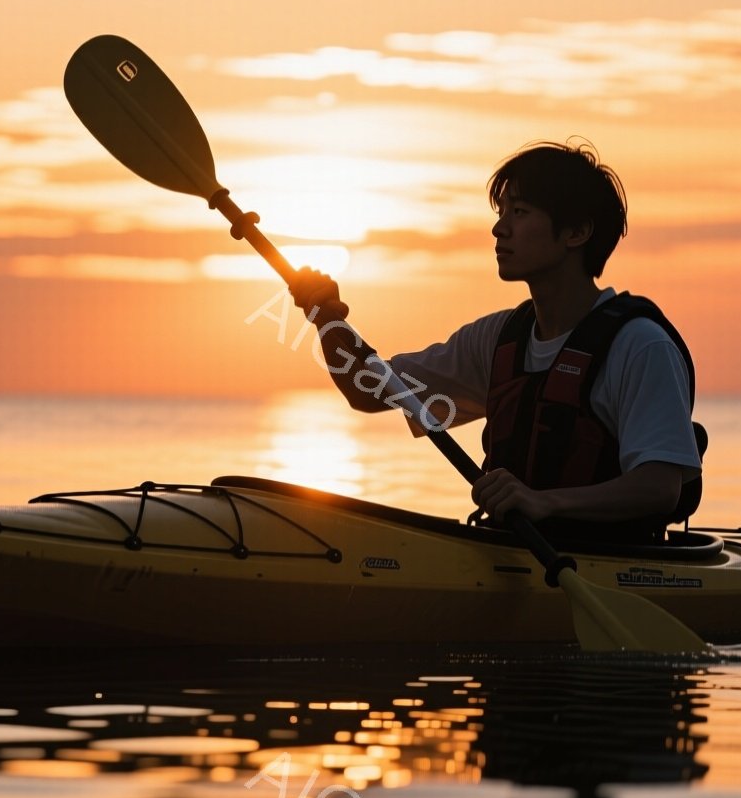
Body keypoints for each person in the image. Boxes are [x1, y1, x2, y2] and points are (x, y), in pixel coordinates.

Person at [289, 140, 704, 542]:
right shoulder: (499, 340)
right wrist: (326, 318)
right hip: (512, 554)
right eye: (502, 211)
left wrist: (545, 503)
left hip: (609, 564)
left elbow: (659, 487)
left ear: (576, 232)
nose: (498, 227)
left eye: (519, 212)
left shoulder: (640, 346)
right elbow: (370, 391)